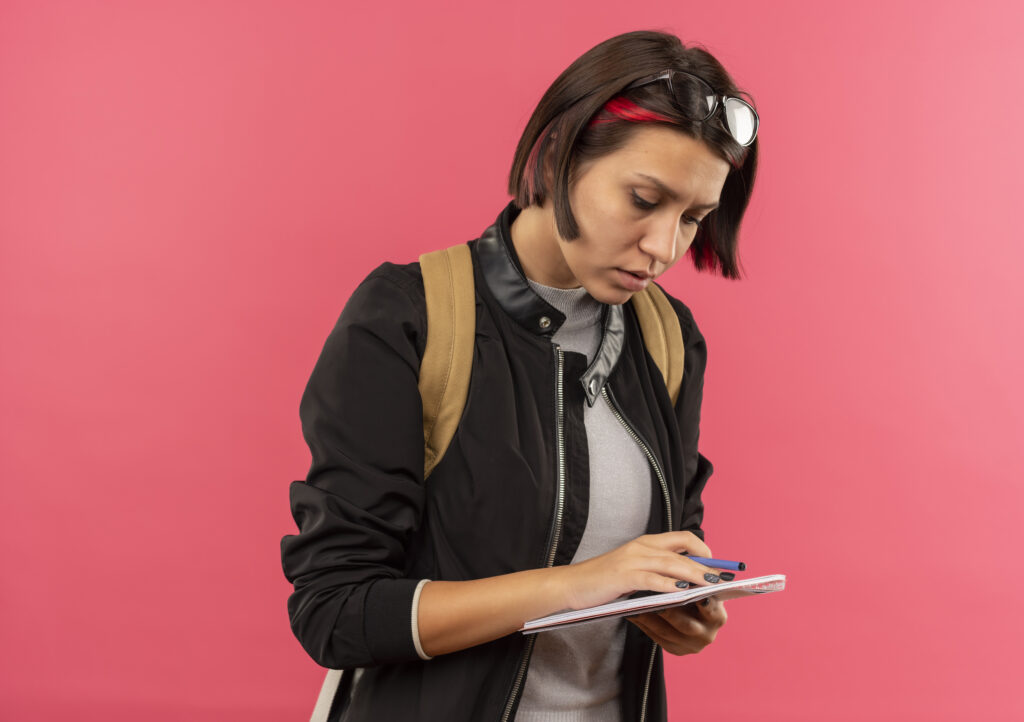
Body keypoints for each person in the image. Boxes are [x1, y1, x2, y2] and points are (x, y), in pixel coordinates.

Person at [280, 28, 759, 722]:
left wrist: (686, 610)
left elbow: (669, 549)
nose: (664, 248)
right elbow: (336, 611)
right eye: (643, 199)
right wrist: (581, 584)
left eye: (694, 218)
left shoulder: (667, 338)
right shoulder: (407, 318)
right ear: (560, 154)